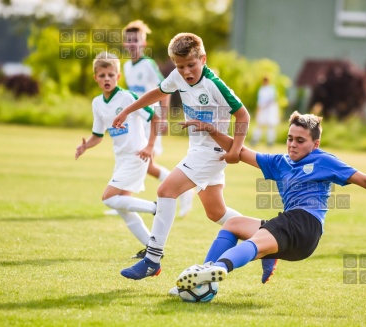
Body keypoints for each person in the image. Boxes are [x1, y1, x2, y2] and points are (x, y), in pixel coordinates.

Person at [174, 111, 366, 291]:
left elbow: (363, 179)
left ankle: (218, 269)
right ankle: (200, 279)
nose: (293, 144)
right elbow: (241, 151)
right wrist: (210, 129)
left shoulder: (324, 160)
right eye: (290, 138)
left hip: (306, 225)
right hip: (293, 231)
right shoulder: (280, 162)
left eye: (300, 140)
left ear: (315, 144)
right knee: (232, 224)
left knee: (258, 239)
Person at [112, 32, 263, 282]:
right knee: (216, 213)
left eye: (191, 65)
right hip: (197, 151)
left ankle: (152, 260)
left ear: (203, 59)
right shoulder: (177, 76)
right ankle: (265, 234)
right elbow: (157, 93)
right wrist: (128, 110)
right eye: (180, 66)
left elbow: (243, 115)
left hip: (212, 152)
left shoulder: (214, 84)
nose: (186, 71)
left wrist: (236, 149)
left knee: (165, 190)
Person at [105, 20, 194, 230]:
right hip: (137, 121)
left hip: (151, 120)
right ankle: (123, 201)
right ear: (125, 44)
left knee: (145, 163)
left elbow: (165, 90)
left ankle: (183, 190)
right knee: (141, 163)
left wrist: (162, 117)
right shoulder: (126, 65)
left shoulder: (148, 65)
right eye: (129, 41)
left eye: (137, 40)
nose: (133, 44)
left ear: (144, 44)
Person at [75, 52, 158, 259]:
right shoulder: (97, 103)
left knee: (109, 198)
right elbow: (97, 135)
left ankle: (156, 207)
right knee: (123, 209)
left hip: (136, 156)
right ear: (95, 78)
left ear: (118, 77)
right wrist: (86, 146)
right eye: (102, 75)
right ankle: (152, 248)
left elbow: (155, 117)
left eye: (111, 75)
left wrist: (150, 146)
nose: (107, 79)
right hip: (120, 158)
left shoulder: (127, 97)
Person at [250, 76, 280, 147]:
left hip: (270, 110)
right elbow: (259, 101)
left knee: (270, 126)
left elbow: (272, 99)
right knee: (259, 125)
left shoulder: (271, 89)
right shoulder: (261, 89)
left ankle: (270, 142)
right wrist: (259, 109)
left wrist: (264, 106)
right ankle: (254, 140)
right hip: (262, 109)